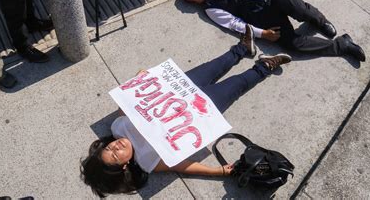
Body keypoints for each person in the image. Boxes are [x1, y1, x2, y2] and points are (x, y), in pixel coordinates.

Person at [81, 25, 292, 197]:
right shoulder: (147, 161)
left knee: (214, 66)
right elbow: (181, 166)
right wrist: (217, 171)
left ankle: (242, 48)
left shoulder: (117, 127)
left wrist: (139, 80)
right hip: (200, 109)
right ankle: (265, 67)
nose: (115, 147)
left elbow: (128, 103)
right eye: (116, 156)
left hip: (178, 88)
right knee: (237, 85)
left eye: (108, 149)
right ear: (125, 166)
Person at [181, 0, 366, 62]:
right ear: (195, 3)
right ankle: (342, 45)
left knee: (300, 10)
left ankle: (319, 21)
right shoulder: (211, 8)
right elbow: (235, 24)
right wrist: (264, 34)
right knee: (293, 44)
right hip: (262, 15)